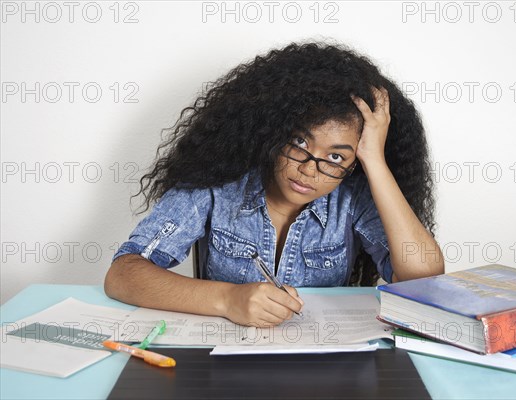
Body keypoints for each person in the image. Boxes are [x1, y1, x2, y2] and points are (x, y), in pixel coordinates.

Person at [104, 41, 444, 328]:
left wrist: (375, 161)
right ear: (272, 131)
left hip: (324, 369)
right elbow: (123, 274)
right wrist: (228, 299)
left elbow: (424, 279)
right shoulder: (216, 184)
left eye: (337, 157)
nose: (310, 170)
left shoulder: (353, 197)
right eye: (299, 143)